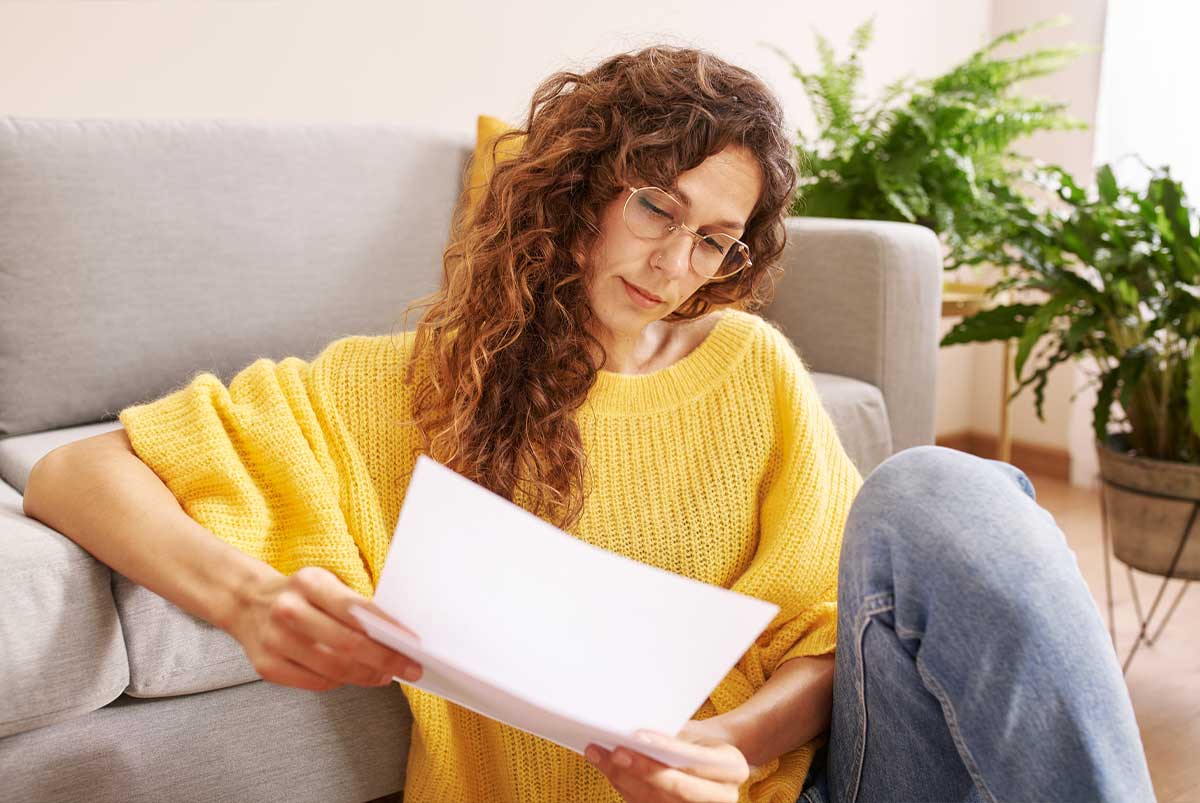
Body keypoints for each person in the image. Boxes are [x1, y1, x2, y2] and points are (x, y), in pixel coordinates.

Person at [21, 45, 1155, 803]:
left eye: (714, 239)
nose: (675, 265)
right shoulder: (408, 383)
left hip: (808, 782)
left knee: (943, 490)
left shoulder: (750, 366)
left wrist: (730, 742)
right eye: (657, 206)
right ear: (580, 189)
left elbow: (826, 633)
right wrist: (247, 597)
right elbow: (78, 469)